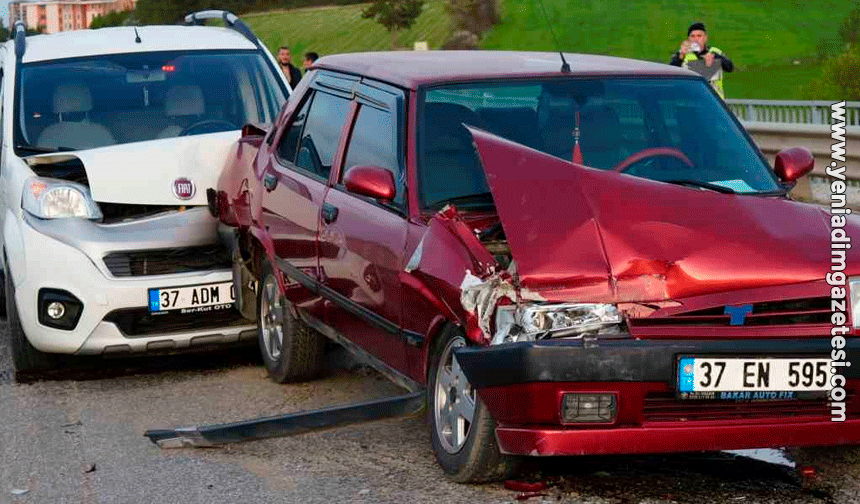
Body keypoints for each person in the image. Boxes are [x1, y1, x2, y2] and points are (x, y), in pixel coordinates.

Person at [670, 22, 734, 99]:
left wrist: (714, 57)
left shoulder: (714, 52)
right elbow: (671, 73)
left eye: (699, 36)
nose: (696, 39)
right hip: (692, 100)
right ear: (689, 39)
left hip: (715, 101)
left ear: (705, 38)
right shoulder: (683, 55)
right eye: (693, 36)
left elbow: (730, 68)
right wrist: (681, 56)